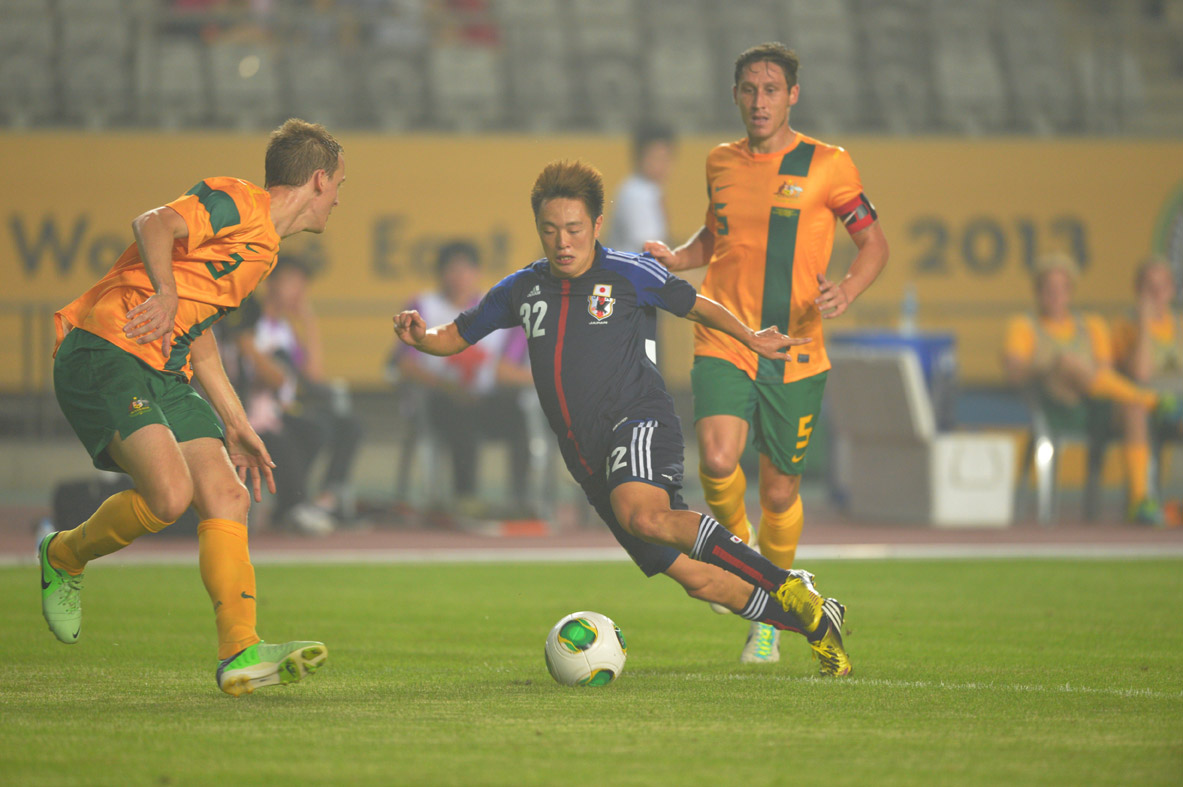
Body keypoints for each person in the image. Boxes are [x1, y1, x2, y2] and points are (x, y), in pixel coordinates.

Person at [394, 159, 852, 677]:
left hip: (638, 420)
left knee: (643, 515)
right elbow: (457, 334)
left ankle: (785, 582)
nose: (562, 242)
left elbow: (696, 305)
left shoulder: (629, 272)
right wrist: (422, 338)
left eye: (573, 228)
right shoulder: (522, 288)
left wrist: (751, 337)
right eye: (550, 229)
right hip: (587, 457)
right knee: (700, 581)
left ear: (595, 224)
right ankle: (818, 623)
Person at [40, 118, 345, 697]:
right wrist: (165, 291)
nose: (338, 199)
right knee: (170, 496)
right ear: (318, 180)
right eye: (339, 186)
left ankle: (239, 651)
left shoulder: (265, 252)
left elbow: (199, 335)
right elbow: (152, 223)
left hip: (165, 368)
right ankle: (63, 555)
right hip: (110, 345)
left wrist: (237, 423)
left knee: (229, 495)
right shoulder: (240, 200)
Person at [643, 43, 889, 665]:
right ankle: (739, 558)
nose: (759, 101)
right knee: (717, 458)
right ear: (735, 95)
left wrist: (848, 289)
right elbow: (718, 234)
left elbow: (874, 245)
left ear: (792, 95)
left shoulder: (828, 164)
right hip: (724, 334)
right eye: (750, 89)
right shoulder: (720, 161)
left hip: (796, 350)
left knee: (779, 494)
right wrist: (679, 257)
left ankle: (772, 616)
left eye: (771, 89)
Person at [1003, 253, 1180, 507]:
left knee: (1133, 408)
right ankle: (1152, 400)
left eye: (1062, 289)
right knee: (1066, 361)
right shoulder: (1024, 326)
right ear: (1038, 292)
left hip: (1097, 403)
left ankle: (1141, 502)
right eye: (1048, 289)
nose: (1055, 295)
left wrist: (1078, 370)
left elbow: (1104, 374)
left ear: (1070, 292)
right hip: (1058, 405)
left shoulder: (1092, 326)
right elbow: (1014, 372)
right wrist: (1050, 365)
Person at [391, 240, 534, 517]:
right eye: (452, 270)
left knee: (521, 418)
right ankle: (465, 498)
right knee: (460, 415)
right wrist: (448, 387)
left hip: (486, 399)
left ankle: (520, 499)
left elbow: (506, 369)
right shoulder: (423, 307)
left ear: (477, 272)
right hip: (439, 398)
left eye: (465, 270)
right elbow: (404, 363)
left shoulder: (498, 308)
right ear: (440, 273)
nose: (459, 277)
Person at [226, 258, 363, 534]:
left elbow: (313, 376)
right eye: (291, 282)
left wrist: (309, 322)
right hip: (253, 412)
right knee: (310, 430)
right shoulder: (249, 321)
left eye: (302, 285)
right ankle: (292, 504)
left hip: (282, 408)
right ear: (270, 282)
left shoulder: (285, 329)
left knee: (348, 425)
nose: (298, 291)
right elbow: (260, 375)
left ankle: (326, 499)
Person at [1110, 256, 1183, 523]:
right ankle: (1141, 501)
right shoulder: (1125, 325)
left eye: (1162, 286)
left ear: (1172, 290)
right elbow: (1140, 373)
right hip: (1140, 404)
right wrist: (1144, 324)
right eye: (1148, 287)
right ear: (1137, 290)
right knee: (1135, 409)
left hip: (1176, 406)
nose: (1156, 294)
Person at [605, 124, 675, 253]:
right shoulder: (635, 193)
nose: (662, 165)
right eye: (656, 158)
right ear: (639, 158)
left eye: (666, 158)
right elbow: (650, 249)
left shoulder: (651, 190)